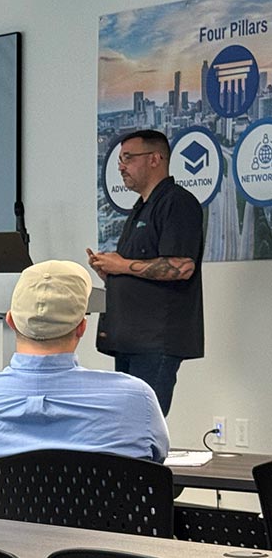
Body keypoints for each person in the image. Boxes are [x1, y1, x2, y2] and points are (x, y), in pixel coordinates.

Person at [0, 260, 168, 462]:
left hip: (6, 503)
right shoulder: (135, 397)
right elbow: (157, 459)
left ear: (11, 321)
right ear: (81, 327)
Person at [88, 128, 204, 415]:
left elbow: (181, 267)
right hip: (128, 338)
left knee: (143, 427)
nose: (121, 166)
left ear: (155, 159)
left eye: (128, 157)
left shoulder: (177, 202)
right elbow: (140, 267)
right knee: (126, 427)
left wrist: (123, 265)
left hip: (155, 339)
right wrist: (111, 272)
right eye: (119, 160)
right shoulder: (140, 208)